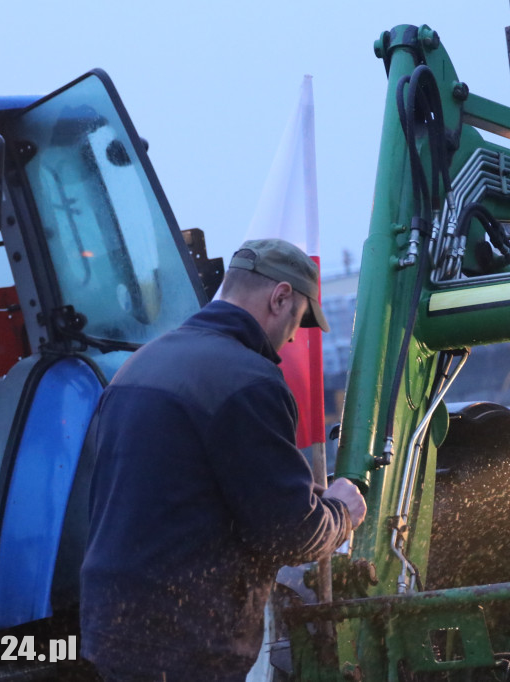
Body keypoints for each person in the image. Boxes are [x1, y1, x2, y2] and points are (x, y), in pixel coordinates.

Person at [80, 238, 367, 682]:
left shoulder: (140, 364)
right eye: (299, 321)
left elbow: (189, 485)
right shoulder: (247, 380)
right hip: (186, 638)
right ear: (281, 297)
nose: (293, 336)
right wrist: (340, 513)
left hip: (111, 622)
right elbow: (290, 535)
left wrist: (305, 494)